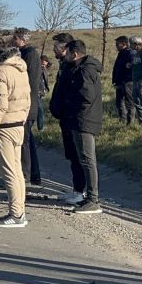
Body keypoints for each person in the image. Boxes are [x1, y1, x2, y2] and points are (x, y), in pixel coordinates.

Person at [0, 36, 32, 228]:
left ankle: (16, 213)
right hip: (18, 123)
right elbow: (28, 97)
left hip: (4, 126)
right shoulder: (20, 68)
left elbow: (0, 103)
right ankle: (20, 210)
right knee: (17, 170)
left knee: (9, 172)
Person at [54, 39, 104, 214]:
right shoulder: (79, 69)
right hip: (79, 120)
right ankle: (86, 196)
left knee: (87, 160)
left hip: (84, 121)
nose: (64, 56)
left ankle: (93, 199)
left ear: (74, 54)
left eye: (67, 53)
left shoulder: (85, 71)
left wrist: (70, 108)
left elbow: (86, 97)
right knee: (83, 159)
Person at [49, 32, 86, 202]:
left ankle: (81, 191)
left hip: (72, 117)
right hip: (64, 117)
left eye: (56, 46)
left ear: (65, 48)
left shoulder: (73, 66)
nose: (53, 50)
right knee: (71, 155)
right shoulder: (64, 65)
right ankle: (76, 188)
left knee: (78, 156)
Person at [10, 28, 45, 186]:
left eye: (15, 38)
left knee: (24, 141)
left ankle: (26, 174)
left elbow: (28, 80)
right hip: (28, 103)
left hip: (27, 104)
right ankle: (34, 174)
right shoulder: (28, 53)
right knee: (28, 141)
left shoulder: (29, 54)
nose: (13, 41)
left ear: (22, 39)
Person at [112, 36, 134, 124]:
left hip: (128, 82)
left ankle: (130, 122)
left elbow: (136, 63)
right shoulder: (121, 53)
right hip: (120, 81)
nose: (116, 45)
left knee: (129, 103)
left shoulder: (130, 52)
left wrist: (130, 65)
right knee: (119, 102)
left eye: (117, 44)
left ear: (124, 44)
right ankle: (122, 120)